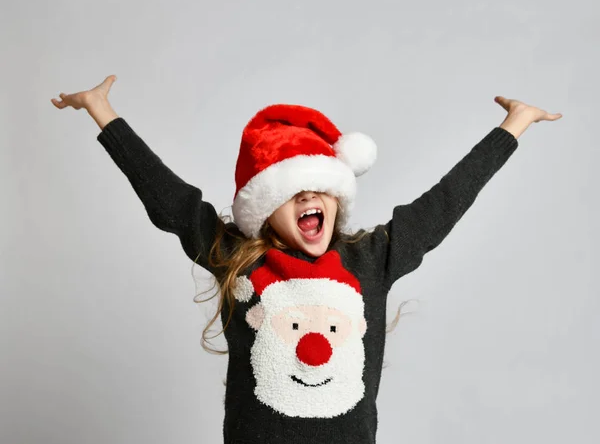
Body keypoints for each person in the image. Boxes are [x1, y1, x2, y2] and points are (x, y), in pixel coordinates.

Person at [51, 75, 562, 444]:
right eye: (292, 192)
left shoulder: (373, 258)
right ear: (263, 210)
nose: (308, 199)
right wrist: (103, 112)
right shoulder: (235, 258)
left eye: (320, 189)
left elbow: (445, 202)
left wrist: (512, 127)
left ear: (338, 198)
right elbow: (170, 200)